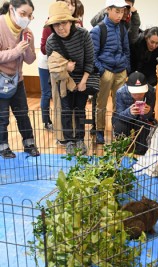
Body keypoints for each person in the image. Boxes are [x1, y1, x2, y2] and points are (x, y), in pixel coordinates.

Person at [45, 1, 94, 155]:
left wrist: (84, 81)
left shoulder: (83, 34)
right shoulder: (51, 41)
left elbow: (90, 61)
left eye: (64, 23)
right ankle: (69, 141)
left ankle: (80, 138)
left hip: (82, 79)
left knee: (80, 110)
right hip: (63, 80)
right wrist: (65, 67)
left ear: (71, 21)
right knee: (65, 110)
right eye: (56, 24)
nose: (61, 28)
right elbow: (52, 66)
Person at [0, 0, 39, 159]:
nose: (26, 18)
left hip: (18, 79)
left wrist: (28, 46)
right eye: (23, 14)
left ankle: (29, 143)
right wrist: (16, 51)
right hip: (1, 80)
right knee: (2, 116)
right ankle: (3, 146)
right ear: (12, 9)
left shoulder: (27, 31)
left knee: (23, 113)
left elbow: (30, 59)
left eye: (29, 15)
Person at [90, 0, 130, 144]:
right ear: (108, 9)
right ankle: (99, 131)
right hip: (105, 70)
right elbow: (92, 55)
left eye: (122, 12)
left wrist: (126, 67)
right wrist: (102, 71)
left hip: (120, 70)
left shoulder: (122, 29)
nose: (120, 15)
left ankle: (117, 129)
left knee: (119, 103)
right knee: (101, 104)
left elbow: (126, 50)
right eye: (117, 11)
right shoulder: (97, 30)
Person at [38, 0, 77, 132]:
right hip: (47, 65)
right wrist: (61, 61)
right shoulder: (48, 25)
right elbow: (43, 48)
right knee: (47, 93)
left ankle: (67, 128)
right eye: (65, 2)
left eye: (71, 3)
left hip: (68, 68)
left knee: (65, 99)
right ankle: (46, 121)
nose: (68, 5)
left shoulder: (77, 26)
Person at [112, 71, 156, 155]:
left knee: (145, 128)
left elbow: (150, 116)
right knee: (120, 127)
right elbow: (119, 115)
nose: (138, 95)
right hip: (125, 120)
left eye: (141, 92)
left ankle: (140, 152)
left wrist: (148, 111)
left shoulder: (151, 92)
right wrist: (129, 112)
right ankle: (123, 148)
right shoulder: (120, 92)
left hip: (141, 120)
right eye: (135, 93)